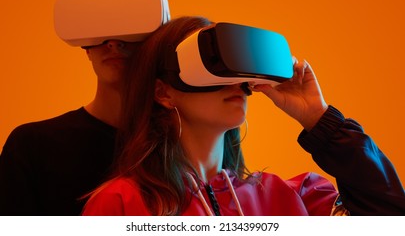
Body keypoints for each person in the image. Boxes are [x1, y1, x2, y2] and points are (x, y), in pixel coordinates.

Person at [82, 16, 405, 216]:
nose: (233, 82)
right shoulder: (122, 203)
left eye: (234, 67)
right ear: (164, 92)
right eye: (211, 66)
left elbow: (389, 217)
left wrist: (318, 118)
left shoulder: (291, 196)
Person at [0, 0, 170, 215]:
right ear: (85, 49)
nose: (112, 42)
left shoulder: (181, 144)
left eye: (131, 27)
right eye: (98, 28)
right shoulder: (33, 146)